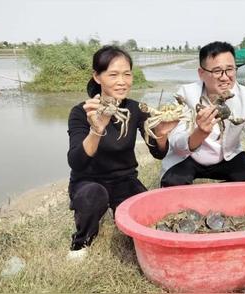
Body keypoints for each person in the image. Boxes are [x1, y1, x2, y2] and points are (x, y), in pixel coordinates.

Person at [67, 45, 177, 259]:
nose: (122, 81)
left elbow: (158, 154)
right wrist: (97, 129)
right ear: (97, 77)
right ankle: (81, 243)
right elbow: (76, 162)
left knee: (150, 214)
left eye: (127, 74)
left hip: (125, 180)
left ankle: (120, 210)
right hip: (88, 181)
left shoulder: (136, 109)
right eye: (113, 74)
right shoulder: (83, 111)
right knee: (93, 196)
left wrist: (161, 135)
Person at [160, 41, 245, 187]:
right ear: (201, 73)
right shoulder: (186, 94)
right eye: (217, 71)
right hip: (188, 157)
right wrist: (199, 133)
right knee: (172, 182)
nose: (225, 77)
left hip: (227, 156)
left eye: (230, 69)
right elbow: (176, 143)